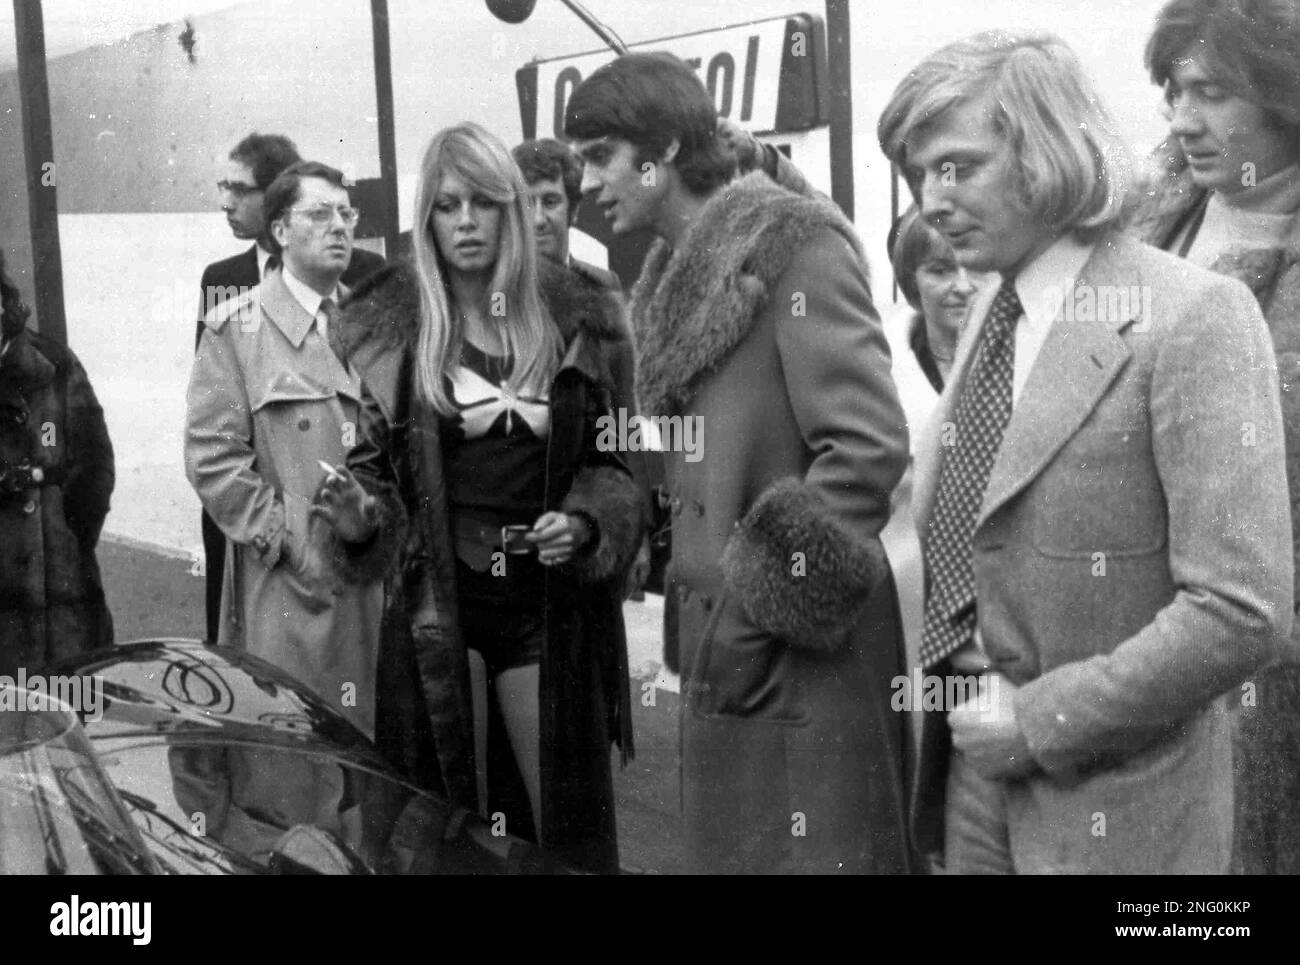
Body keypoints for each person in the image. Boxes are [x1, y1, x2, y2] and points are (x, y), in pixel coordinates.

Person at [878, 29, 1295, 874]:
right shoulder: (990, 310)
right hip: (969, 785)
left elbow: (1242, 609)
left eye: (958, 166)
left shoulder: (1193, 315)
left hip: (1119, 811)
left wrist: (1037, 723)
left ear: (1045, 152)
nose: (932, 198)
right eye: (921, 174)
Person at [567, 52, 913, 874]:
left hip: (803, 657)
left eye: (602, 156)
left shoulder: (795, 246)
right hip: (734, 664)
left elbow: (866, 447)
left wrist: (753, 608)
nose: (586, 183)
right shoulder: (672, 275)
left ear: (666, 152)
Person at [315, 122, 642, 873]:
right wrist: (360, 518)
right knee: (440, 834)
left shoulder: (577, 313)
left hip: (546, 611)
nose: (465, 222)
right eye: (447, 204)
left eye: (485, 204)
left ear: (512, 212)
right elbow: (371, 473)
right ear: (426, 217)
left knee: (560, 832)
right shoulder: (394, 327)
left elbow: (615, 458)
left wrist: (588, 520)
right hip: (440, 607)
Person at [1128, 0, 1300, 875]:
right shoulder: (1143, 227)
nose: (1183, 118)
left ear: (1284, 97)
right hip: (1137, 645)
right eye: (1173, 90)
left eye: (1212, 92)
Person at [185, 160, 384, 737]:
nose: (340, 227)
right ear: (279, 232)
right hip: (290, 590)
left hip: (375, 582)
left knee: (377, 772)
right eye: (319, 214)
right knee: (295, 758)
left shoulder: (377, 327)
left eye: (346, 213)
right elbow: (213, 460)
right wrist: (290, 538)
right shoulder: (235, 331)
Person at [512, 137, 652, 597]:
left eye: (550, 201)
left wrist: (637, 533)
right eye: (525, 203)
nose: (538, 218)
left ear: (572, 209)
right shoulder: (494, 303)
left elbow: (624, 421)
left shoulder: (604, 292)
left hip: (594, 525)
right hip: (518, 531)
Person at [0, 254, 115, 676]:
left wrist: (67, 541)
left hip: (62, 604)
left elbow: (95, 467)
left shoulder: (54, 365)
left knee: (66, 722)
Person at [888, 204, 990, 395]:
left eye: (977, 267)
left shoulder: (1032, 358)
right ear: (912, 281)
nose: (963, 286)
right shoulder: (881, 370)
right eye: (940, 271)